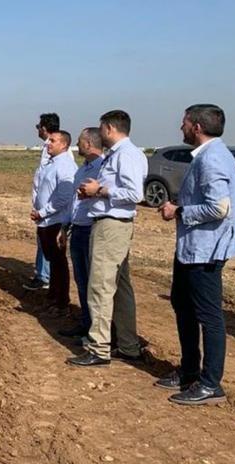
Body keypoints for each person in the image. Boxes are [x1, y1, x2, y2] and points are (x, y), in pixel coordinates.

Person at [155, 104, 235, 405]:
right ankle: (189, 370)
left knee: (208, 316)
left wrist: (178, 210)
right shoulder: (209, 156)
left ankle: (210, 384)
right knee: (183, 305)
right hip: (192, 248)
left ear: (196, 127)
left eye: (184, 122)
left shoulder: (213, 159)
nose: (181, 127)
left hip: (206, 250)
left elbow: (219, 208)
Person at [67, 110, 146, 367]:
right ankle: (128, 345)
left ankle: (99, 348)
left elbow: (135, 193)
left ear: (110, 128)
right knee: (121, 288)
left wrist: (98, 190)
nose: (99, 134)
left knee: (100, 287)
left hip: (111, 227)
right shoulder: (118, 155)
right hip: (110, 225)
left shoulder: (127, 154)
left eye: (101, 129)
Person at [57, 128, 104, 338]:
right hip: (77, 229)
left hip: (91, 229)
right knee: (82, 281)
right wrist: (64, 226)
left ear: (88, 143)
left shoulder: (102, 169)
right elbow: (73, 203)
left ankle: (96, 330)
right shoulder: (82, 170)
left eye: (79, 141)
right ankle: (86, 323)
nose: (77, 145)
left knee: (94, 284)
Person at [30, 130, 76, 316]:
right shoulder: (51, 163)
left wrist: (43, 212)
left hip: (55, 221)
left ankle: (62, 303)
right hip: (45, 221)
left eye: (53, 141)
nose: (48, 143)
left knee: (58, 263)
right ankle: (52, 298)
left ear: (64, 145)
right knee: (53, 261)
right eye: (49, 140)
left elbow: (64, 197)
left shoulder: (65, 165)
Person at [24, 113, 60, 291]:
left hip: (50, 208)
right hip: (44, 207)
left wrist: (44, 208)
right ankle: (42, 274)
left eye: (38, 126)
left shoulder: (56, 149)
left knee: (47, 240)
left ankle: (44, 277)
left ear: (44, 128)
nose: (37, 130)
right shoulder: (48, 147)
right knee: (43, 239)